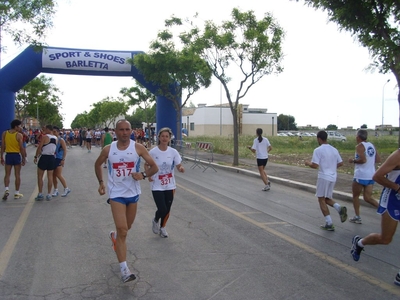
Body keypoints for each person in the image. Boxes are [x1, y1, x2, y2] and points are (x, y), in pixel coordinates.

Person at [94, 119, 158, 283]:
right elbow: (97, 164)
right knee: (123, 229)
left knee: (126, 228)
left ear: (131, 131)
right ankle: (124, 269)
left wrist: (143, 175)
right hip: (116, 194)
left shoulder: (138, 148)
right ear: (115, 131)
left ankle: (115, 237)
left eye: (127, 129)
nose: (124, 132)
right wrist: (101, 183)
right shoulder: (109, 149)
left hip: (133, 193)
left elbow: (154, 167)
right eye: (121, 129)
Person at [351, 149, 400, 286]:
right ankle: (359, 243)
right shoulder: (398, 155)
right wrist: (397, 187)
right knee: (385, 239)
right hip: (392, 200)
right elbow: (377, 176)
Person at [305, 130, 347, 231]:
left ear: (319, 139)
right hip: (333, 177)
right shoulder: (334, 149)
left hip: (323, 176)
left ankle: (329, 222)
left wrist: (308, 163)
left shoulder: (318, 150)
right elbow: (341, 163)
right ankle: (338, 208)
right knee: (326, 198)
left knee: (321, 199)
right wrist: (332, 167)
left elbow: (315, 165)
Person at [147, 127, 185, 238]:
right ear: (158, 137)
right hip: (157, 184)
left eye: (166, 137)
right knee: (162, 208)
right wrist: (148, 175)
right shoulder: (153, 152)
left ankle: (162, 228)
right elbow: (146, 164)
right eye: (162, 136)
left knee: (167, 209)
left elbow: (178, 165)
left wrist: (181, 168)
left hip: (170, 184)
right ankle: (155, 220)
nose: (164, 138)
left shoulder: (173, 152)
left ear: (169, 138)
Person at [347, 129, 380, 224]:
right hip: (371, 175)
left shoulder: (359, 146)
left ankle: (357, 217)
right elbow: (378, 159)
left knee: (355, 196)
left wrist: (353, 160)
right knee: (368, 198)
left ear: (358, 137)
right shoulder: (372, 145)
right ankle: (383, 210)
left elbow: (363, 160)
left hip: (361, 175)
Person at [0, 119, 26, 200]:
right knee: (17, 174)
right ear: (16, 126)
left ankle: (6, 189)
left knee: (7, 174)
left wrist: (1, 156)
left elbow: (3, 146)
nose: (20, 127)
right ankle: (16, 193)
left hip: (8, 155)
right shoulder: (19, 135)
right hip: (16, 155)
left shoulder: (5, 133)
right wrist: (23, 158)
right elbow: (21, 148)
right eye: (19, 126)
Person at [34, 124, 57, 201]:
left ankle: (40, 193)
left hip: (44, 157)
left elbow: (39, 147)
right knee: (50, 176)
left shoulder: (45, 137)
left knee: (40, 176)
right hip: (51, 157)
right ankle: (48, 194)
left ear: (48, 129)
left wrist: (36, 156)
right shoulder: (55, 138)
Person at [51, 126, 71, 197]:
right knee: (53, 175)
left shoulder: (61, 140)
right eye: (52, 132)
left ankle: (66, 188)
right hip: (53, 158)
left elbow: (65, 150)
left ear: (58, 132)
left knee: (58, 174)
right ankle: (55, 190)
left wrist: (63, 159)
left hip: (59, 158)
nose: (53, 133)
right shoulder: (52, 139)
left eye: (55, 132)